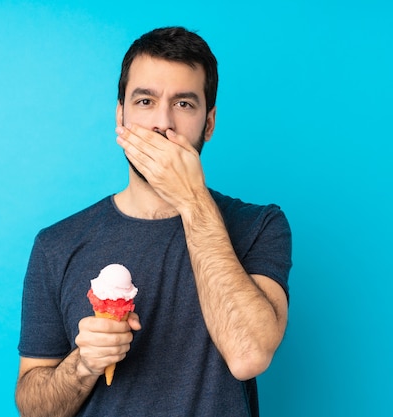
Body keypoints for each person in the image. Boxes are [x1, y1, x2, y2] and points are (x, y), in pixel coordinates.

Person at [15, 26, 292, 417]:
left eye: (184, 104)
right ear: (121, 115)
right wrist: (84, 364)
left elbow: (248, 355)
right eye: (145, 101)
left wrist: (192, 199)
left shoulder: (259, 225)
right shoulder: (56, 244)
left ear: (209, 123)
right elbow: (33, 407)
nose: (163, 123)